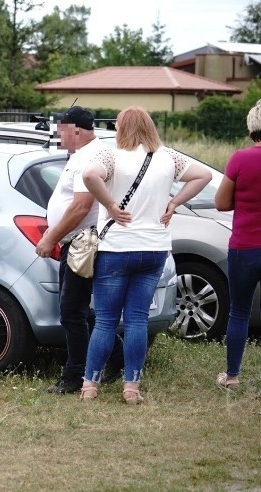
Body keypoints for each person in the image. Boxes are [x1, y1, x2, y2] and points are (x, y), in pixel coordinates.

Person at [81, 106, 211, 403]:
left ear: (121, 127)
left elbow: (90, 175)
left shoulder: (110, 155)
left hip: (116, 248)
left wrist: (111, 206)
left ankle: (90, 385)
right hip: (154, 249)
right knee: (138, 319)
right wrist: (174, 202)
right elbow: (203, 175)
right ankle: (132, 387)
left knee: (105, 320)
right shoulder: (167, 157)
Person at [36, 106, 121, 394]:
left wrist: (51, 237)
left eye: (60, 129)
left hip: (82, 242)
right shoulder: (83, 155)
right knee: (78, 309)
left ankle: (76, 375)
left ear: (75, 130)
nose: (58, 135)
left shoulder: (91, 157)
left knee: (71, 311)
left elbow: (81, 206)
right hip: (75, 240)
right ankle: (116, 356)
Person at [213, 100, 261, 391]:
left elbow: (220, 203)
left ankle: (231, 376)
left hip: (245, 247)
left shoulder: (240, 159)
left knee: (240, 311)